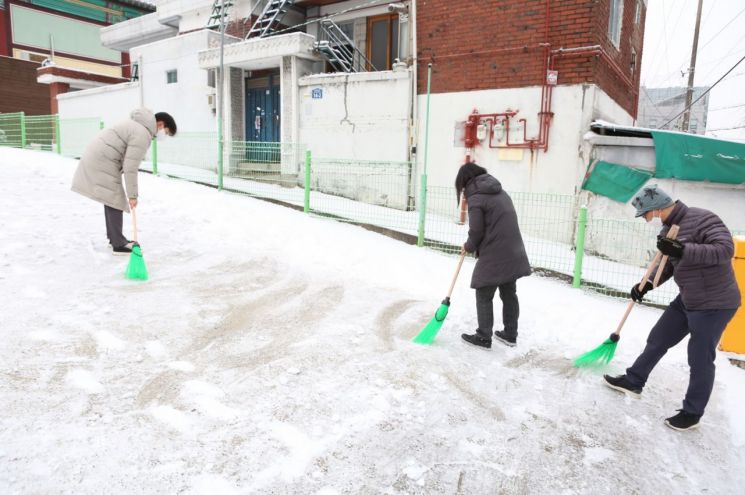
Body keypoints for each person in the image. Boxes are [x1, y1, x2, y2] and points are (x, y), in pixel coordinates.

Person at [604, 185, 740, 431]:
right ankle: (634, 380)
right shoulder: (669, 230)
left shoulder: (703, 218)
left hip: (714, 303)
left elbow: (725, 250)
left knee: (699, 358)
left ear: (656, 210)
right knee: (658, 338)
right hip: (688, 298)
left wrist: (683, 249)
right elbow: (668, 263)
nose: (647, 221)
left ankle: (692, 412)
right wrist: (645, 285)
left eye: (646, 215)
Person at [71, 109, 177, 254]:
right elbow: (130, 167)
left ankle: (114, 238)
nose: (164, 136)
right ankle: (118, 244)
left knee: (111, 198)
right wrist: (133, 196)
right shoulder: (142, 134)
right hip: (103, 161)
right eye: (166, 132)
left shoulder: (137, 126)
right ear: (160, 124)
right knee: (115, 199)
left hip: (99, 158)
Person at [456, 162, 531, 349]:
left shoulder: (476, 198)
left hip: (495, 252)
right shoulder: (500, 192)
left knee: (483, 291)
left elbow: (476, 231)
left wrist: (469, 246)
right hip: (512, 249)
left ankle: (483, 336)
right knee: (508, 292)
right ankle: (510, 334)